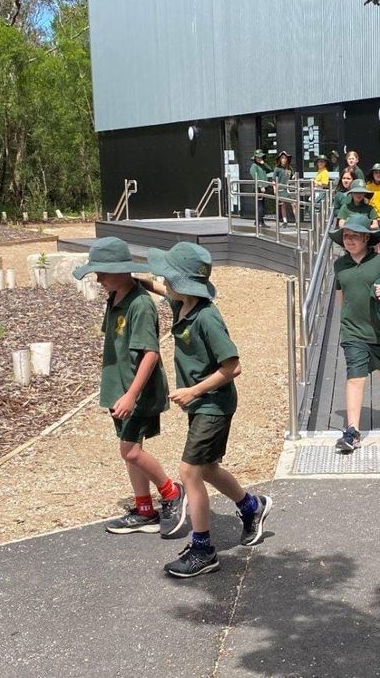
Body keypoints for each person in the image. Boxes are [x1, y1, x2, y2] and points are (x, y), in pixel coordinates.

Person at [138, 243, 271, 578]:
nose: (162, 281)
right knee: (208, 468)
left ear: (183, 284)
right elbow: (155, 287)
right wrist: (129, 276)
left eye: (167, 277)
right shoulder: (182, 302)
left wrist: (193, 390)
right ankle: (251, 507)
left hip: (213, 403)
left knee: (189, 472)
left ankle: (203, 549)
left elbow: (233, 367)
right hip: (201, 404)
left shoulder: (207, 317)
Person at [72, 237, 187, 538]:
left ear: (123, 270)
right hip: (118, 388)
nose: (98, 278)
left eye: (104, 272)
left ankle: (172, 492)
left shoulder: (140, 305)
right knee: (130, 449)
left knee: (131, 450)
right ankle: (144, 509)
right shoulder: (116, 297)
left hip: (136, 392)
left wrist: (131, 394)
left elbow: (150, 352)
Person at [331, 217, 380, 453]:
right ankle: (352, 431)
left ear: (367, 238)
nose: (350, 240)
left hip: (379, 331)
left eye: (355, 235)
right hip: (352, 331)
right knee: (355, 377)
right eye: (346, 236)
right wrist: (344, 321)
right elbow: (341, 294)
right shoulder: (339, 265)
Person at [272, 150, 297, 228]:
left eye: (285, 158)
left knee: (293, 204)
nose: (284, 160)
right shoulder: (277, 168)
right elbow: (273, 180)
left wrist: (294, 177)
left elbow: (293, 177)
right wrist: (274, 189)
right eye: (282, 158)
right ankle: (285, 221)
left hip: (289, 189)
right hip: (281, 189)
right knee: (283, 205)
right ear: (280, 159)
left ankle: (297, 221)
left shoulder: (290, 168)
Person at [248, 149, 273, 227]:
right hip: (258, 188)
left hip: (264, 187)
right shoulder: (254, 166)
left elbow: (269, 170)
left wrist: (264, 164)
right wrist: (261, 186)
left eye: (261, 157)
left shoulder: (261, 165)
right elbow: (255, 177)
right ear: (255, 158)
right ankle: (258, 222)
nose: (259, 159)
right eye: (258, 157)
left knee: (262, 205)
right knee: (260, 206)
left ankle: (260, 221)